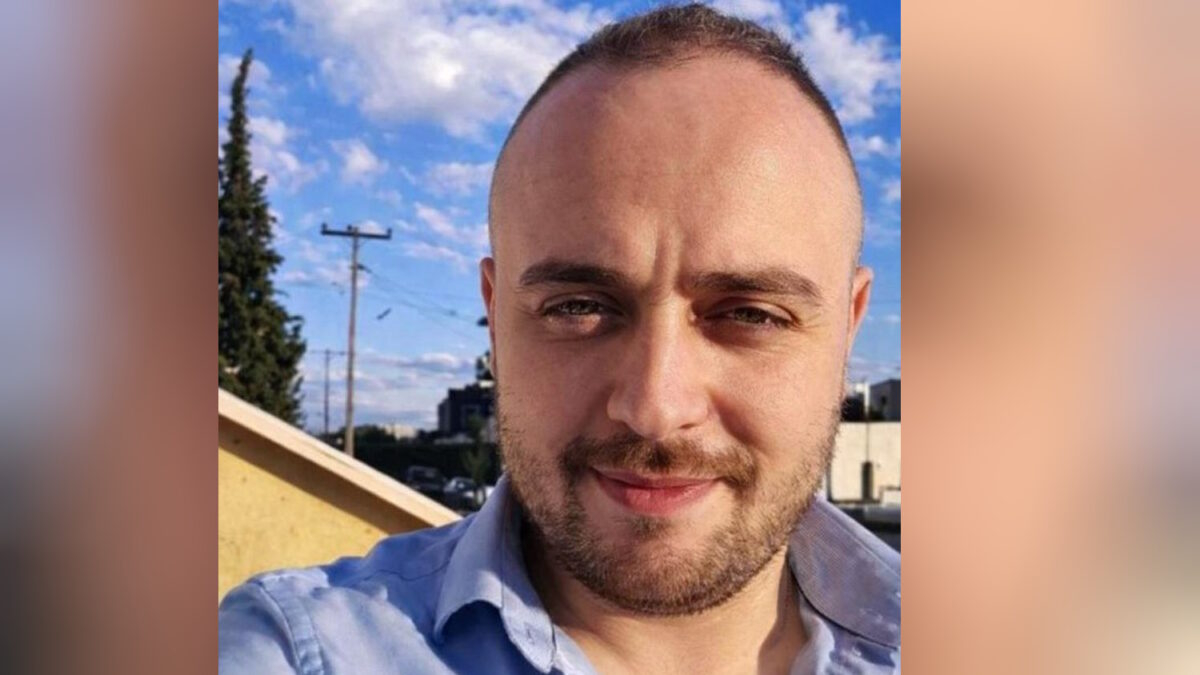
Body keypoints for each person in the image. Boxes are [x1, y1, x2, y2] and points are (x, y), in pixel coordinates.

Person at [219, 4, 898, 673]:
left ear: (848, 327)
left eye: (750, 315)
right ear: (495, 318)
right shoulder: (296, 653)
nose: (654, 407)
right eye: (578, 307)